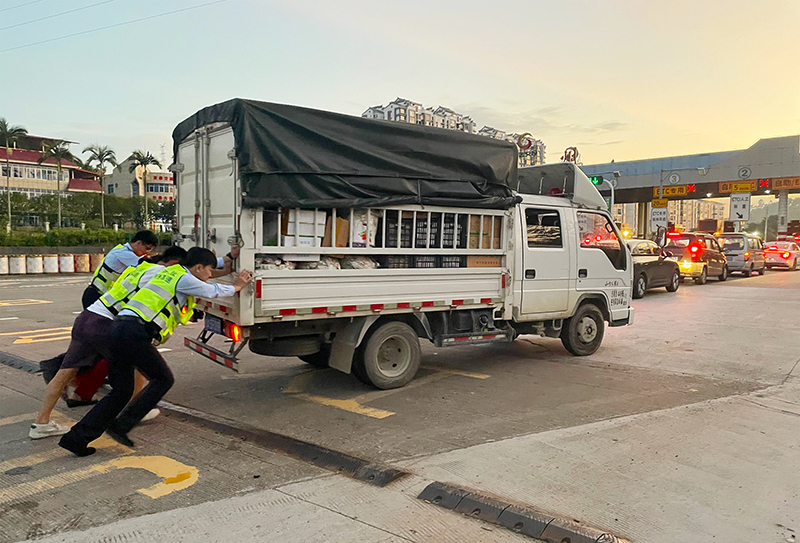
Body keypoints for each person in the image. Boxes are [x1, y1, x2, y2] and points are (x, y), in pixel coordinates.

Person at [59, 247, 253, 456]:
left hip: (118, 329)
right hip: (134, 332)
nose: (209, 274)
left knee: (121, 391)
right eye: (208, 270)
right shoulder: (184, 278)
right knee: (163, 379)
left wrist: (228, 258)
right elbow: (212, 290)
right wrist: (238, 285)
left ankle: (76, 439)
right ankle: (121, 425)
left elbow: (199, 284)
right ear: (198, 267)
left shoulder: (171, 272)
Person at [28, 247, 188, 440]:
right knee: (134, 366)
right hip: (107, 324)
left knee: (65, 373)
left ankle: (41, 423)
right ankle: (133, 410)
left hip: (88, 316)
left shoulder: (138, 268)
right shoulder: (160, 274)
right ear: (174, 264)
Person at [84, 230, 159, 309]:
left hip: (103, 295)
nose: (147, 252)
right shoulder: (123, 253)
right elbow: (147, 266)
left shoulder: (123, 250)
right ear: (139, 243)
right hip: (95, 295)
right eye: (147, 248)